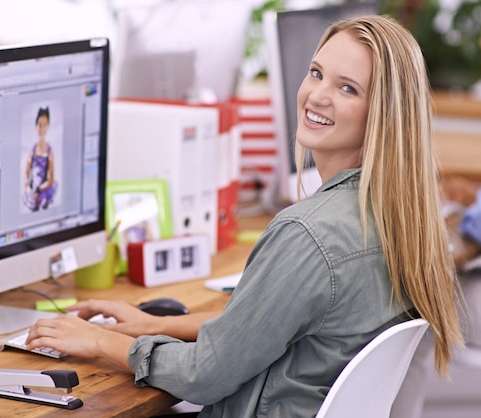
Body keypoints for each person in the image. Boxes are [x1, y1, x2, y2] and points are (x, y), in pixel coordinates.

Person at [26, 15, 464, 417]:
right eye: (316, 73)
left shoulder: (309, 235)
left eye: (347, 88)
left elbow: (205, 375)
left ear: (382, 116)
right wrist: (159, 324)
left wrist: (100, 341)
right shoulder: (403, 219)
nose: (317, 95)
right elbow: (267, 328)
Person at [24, 106, 56, 211]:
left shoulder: (50, 151)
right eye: (39, 124)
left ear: (48, 126)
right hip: (33, 190)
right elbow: (26, 174)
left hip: (44, 189)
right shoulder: (32, 150)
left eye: (45, 124)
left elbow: (51, 179)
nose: (42, 128)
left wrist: (39, 189)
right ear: (36, 126)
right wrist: (29, 189)